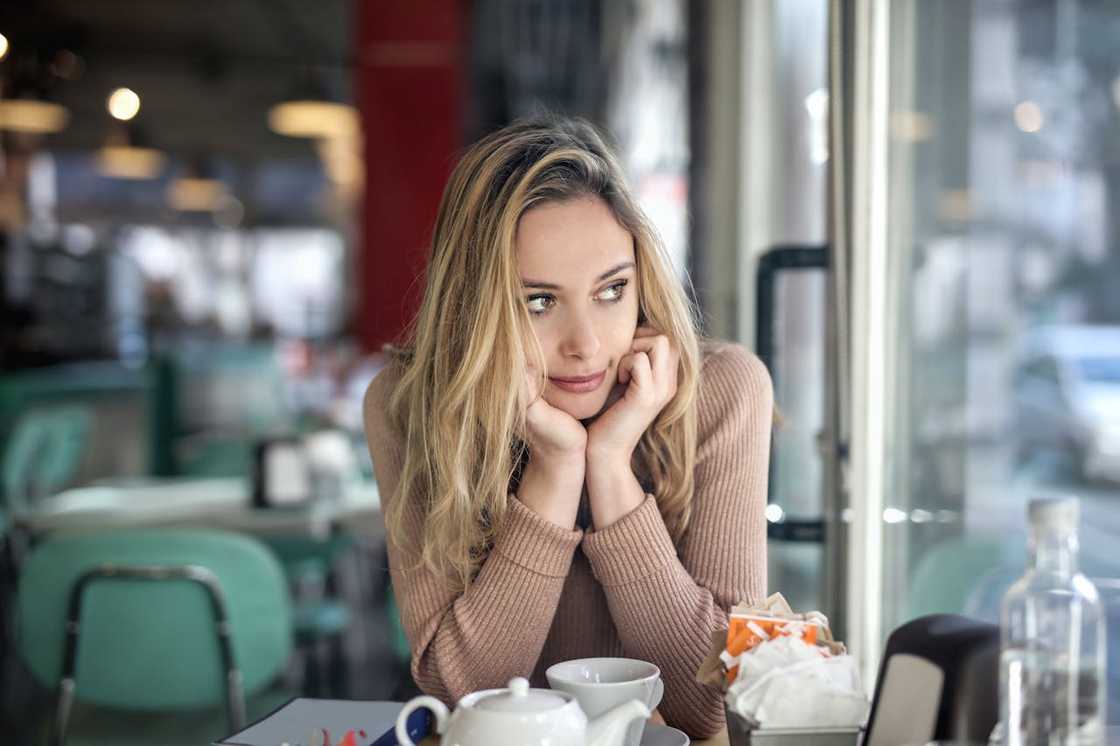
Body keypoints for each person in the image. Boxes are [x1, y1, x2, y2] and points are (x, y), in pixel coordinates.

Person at [363, 115, 772, 738]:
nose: (585, 345)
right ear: (477, 309)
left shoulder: (722, 391)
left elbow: (711, 708)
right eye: (538, 301)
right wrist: (555, 469)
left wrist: (610, 468)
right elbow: (462, 698)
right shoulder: (411, 404)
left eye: (611, 291)